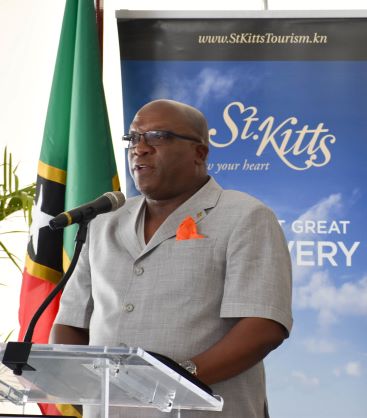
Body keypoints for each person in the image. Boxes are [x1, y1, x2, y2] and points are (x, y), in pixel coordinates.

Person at [50, 99, 293, 418]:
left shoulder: (246, 217)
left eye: (158, 136)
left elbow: (263, 326)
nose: (140, 149)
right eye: (134, 138)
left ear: (199, 153)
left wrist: (174, 379)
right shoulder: (103, 222)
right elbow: (71, 322)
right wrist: (81, 390)